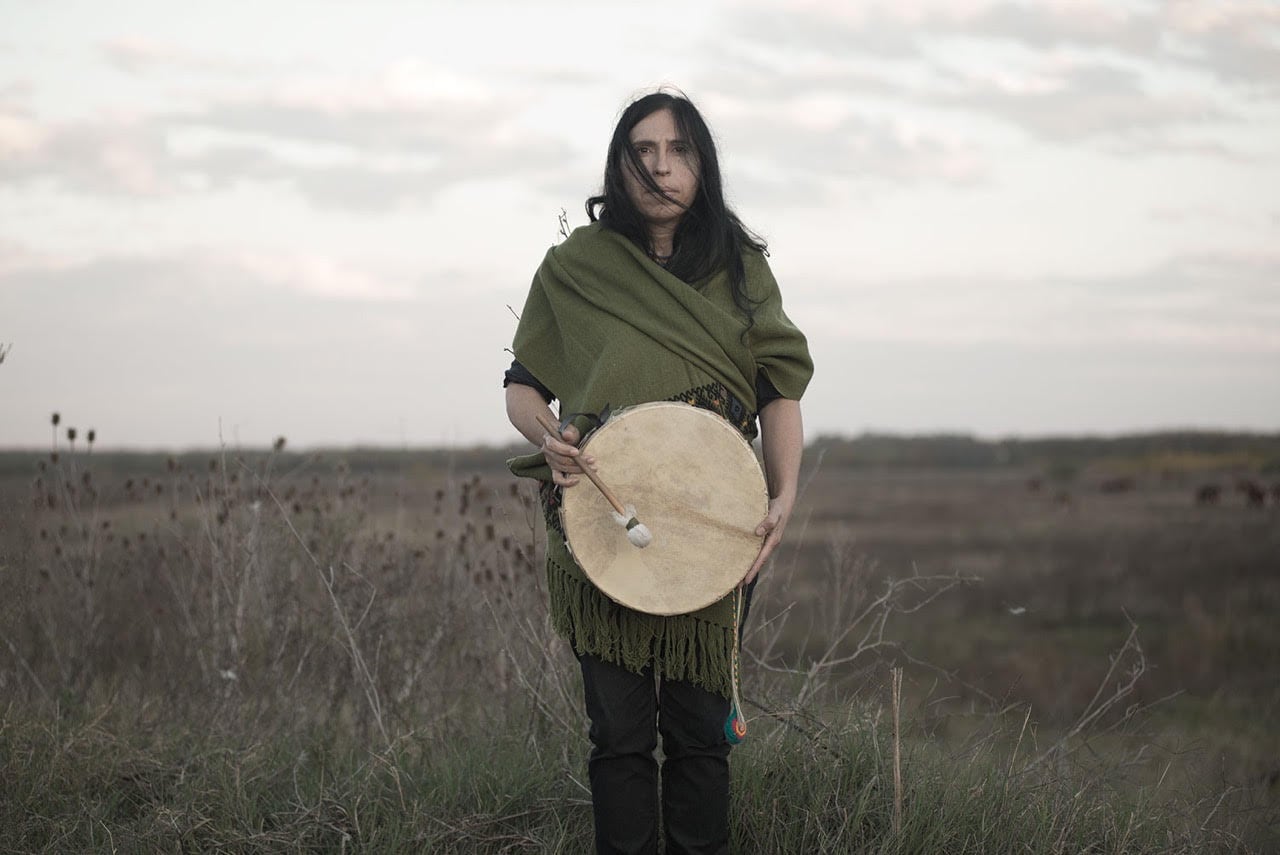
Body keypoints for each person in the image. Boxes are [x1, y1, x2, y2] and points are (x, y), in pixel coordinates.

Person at [503, 90, 813, 855]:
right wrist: (551, 439)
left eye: (678, 151)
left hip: (715, 526)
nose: (660, 167)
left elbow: (778, 392)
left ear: (702, 165)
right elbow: (522, 388)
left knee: (701, 735)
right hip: (604, 525)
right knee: (618, 736)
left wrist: (785, 495)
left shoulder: (742, 270)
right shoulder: (576, 268)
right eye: (642, 151)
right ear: (618, 165)